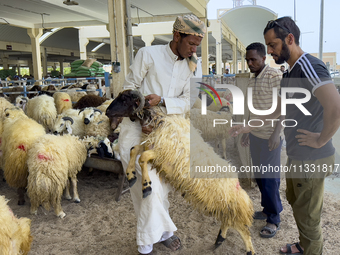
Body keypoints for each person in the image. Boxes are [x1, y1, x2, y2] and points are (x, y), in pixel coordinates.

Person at [230, 16, 340, 255]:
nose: (269, 51)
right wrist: (247, 128)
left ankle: (311, 249)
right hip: (298, 155)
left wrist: (321, 139)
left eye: (273, 45)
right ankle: (303, 245)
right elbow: (277, 111)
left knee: (308, 216)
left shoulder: (309, 66)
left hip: (312, 156)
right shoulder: (291, 73)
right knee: (297, 203)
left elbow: (336, 107)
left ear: (290, 39)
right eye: (267, 45)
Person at [118, 14, 206, 255]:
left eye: (197, 45)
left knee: (163, 186)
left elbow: (189, 101)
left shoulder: (192, 65)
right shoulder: (148, 54)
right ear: (177, 35)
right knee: (148, 186)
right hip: (136, 131)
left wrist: (163, 101)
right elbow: (127, 90)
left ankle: (162, 232)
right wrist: (142, 112)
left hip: (166, 134)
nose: (193, 49)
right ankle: (147, 242)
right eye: (191, 43)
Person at [243, 42, 284, 238]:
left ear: (263, 58)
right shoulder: (252, 80)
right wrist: (246, 132)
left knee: (270, 180)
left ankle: (274, 219)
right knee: (259, 177)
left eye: (253, 59)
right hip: (256, 136)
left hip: (270, 137)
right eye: (247, 60)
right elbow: (253, 109)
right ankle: (267, 209)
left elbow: (285, 106)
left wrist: (276, 133)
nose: (250, 63)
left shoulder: (274, 76)